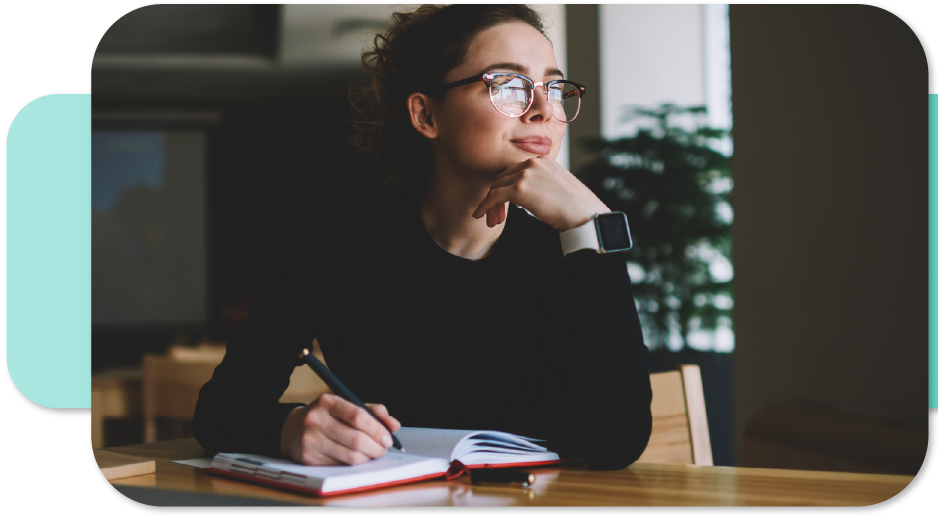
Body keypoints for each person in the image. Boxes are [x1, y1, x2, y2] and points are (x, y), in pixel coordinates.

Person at [193, 4, 651, 471]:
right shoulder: (335, 231)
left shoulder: (572, 247)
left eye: (553, 88)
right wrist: (290, 429)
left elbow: (617, 444)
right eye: (509, 86)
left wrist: (593, 229)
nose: (542, 111)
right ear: (426, 114)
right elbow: (221, 412)